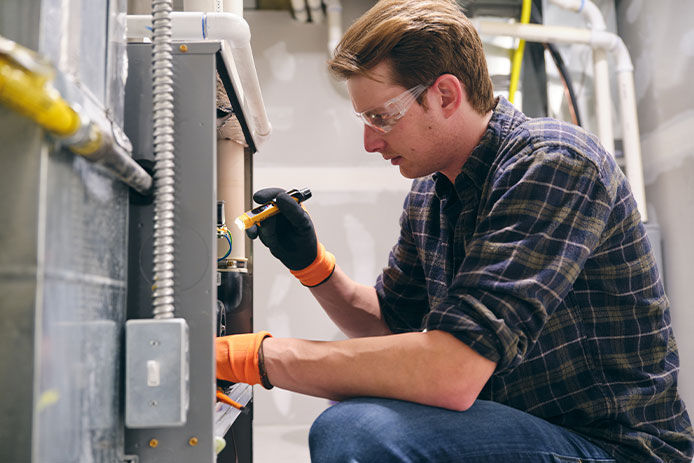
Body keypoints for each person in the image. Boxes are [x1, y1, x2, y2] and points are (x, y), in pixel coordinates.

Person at [215, 0, 694, 461]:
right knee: (355, 403)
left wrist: (256, 358)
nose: (370, 141)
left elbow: (452, 372)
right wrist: (314, 266)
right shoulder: (432, 193)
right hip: (523, 424)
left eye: (381, 117)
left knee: (355, 428)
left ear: (445, 94)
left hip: (611, 447)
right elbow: (389, 323)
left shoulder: (553, 163)